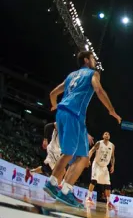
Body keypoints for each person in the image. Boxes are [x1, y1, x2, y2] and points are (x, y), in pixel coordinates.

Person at [43, 51, 121, 208]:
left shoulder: (72, 75)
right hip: (74, 115)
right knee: (77, 156)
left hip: (62, 113)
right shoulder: (93, 73)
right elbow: (99, 90)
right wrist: (111, 110)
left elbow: (53, 93)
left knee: (77, 156)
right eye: (92, 58)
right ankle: (60, 188)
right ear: (86, 60)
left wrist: (54, 105)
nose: (94, 61)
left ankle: (59, 186)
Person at [25, 122, 94, 183]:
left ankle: (31, 172)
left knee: (48, 168)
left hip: (58, 151)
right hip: (53, 149)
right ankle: (56, 189)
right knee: (62, 170)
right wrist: (45, 139)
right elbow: (48, 126)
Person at [85, 132, 115, 209]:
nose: (107, 135)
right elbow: (91, 150)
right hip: (97, 164)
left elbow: (112, 157)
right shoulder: (99, 143)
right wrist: (88, 159)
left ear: (110, 136)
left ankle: (108, 202)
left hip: (104, 166)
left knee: (108, 184)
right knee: (94, 180)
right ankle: (89, 197)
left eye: (108, 134)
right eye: (105, 134)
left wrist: (112, 165)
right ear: (103, 136)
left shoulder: (112, 145)